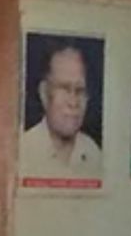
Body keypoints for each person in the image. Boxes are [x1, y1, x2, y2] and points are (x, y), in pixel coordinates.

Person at [20, 42, 101, 178]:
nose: (73, 102)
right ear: (44, 93)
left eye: (80, 90)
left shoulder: (93, 153)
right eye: (64, 88)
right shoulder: (23, 151)